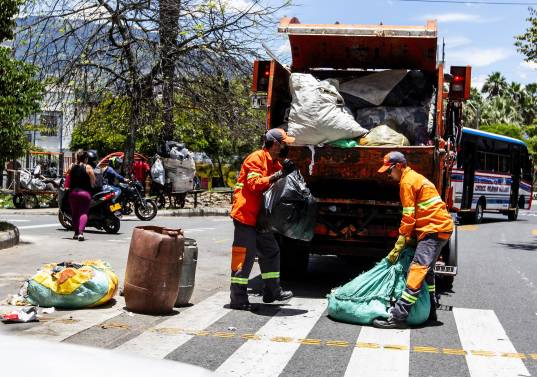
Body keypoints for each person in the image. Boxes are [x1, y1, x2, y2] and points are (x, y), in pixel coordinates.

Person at [373, 151, 453, 329]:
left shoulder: (407, 182)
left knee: (417, 269)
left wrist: (401, 240)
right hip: (441, 229)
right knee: (428, 271)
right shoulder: (414, 178)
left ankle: (398, 316)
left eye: (389, 171)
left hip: (433, 230)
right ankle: (431, 310)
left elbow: (408, 216)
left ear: (399, 166)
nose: (388, 175)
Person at [229, 128, 296, 311]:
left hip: (260, 219)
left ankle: (272, 291)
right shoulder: (256, 158)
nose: (286, 146)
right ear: (275, 144)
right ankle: (238, 299)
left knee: (271, 251)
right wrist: (279, 175)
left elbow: (280, 183)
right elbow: (254, 185)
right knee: (245, 257)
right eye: (284, 143)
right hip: (246, 216)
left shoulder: (273, 161)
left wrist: (288, 171)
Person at [65, 150, 96, 241]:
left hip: (73, 193)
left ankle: (75, 233)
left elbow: (67, 175)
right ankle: (81, 233)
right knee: (83, 213)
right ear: (86, 158)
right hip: (85, 194)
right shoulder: (88, 167)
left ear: (77, 158)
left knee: (75, 214)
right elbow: (93, 181)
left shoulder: (71, 166)